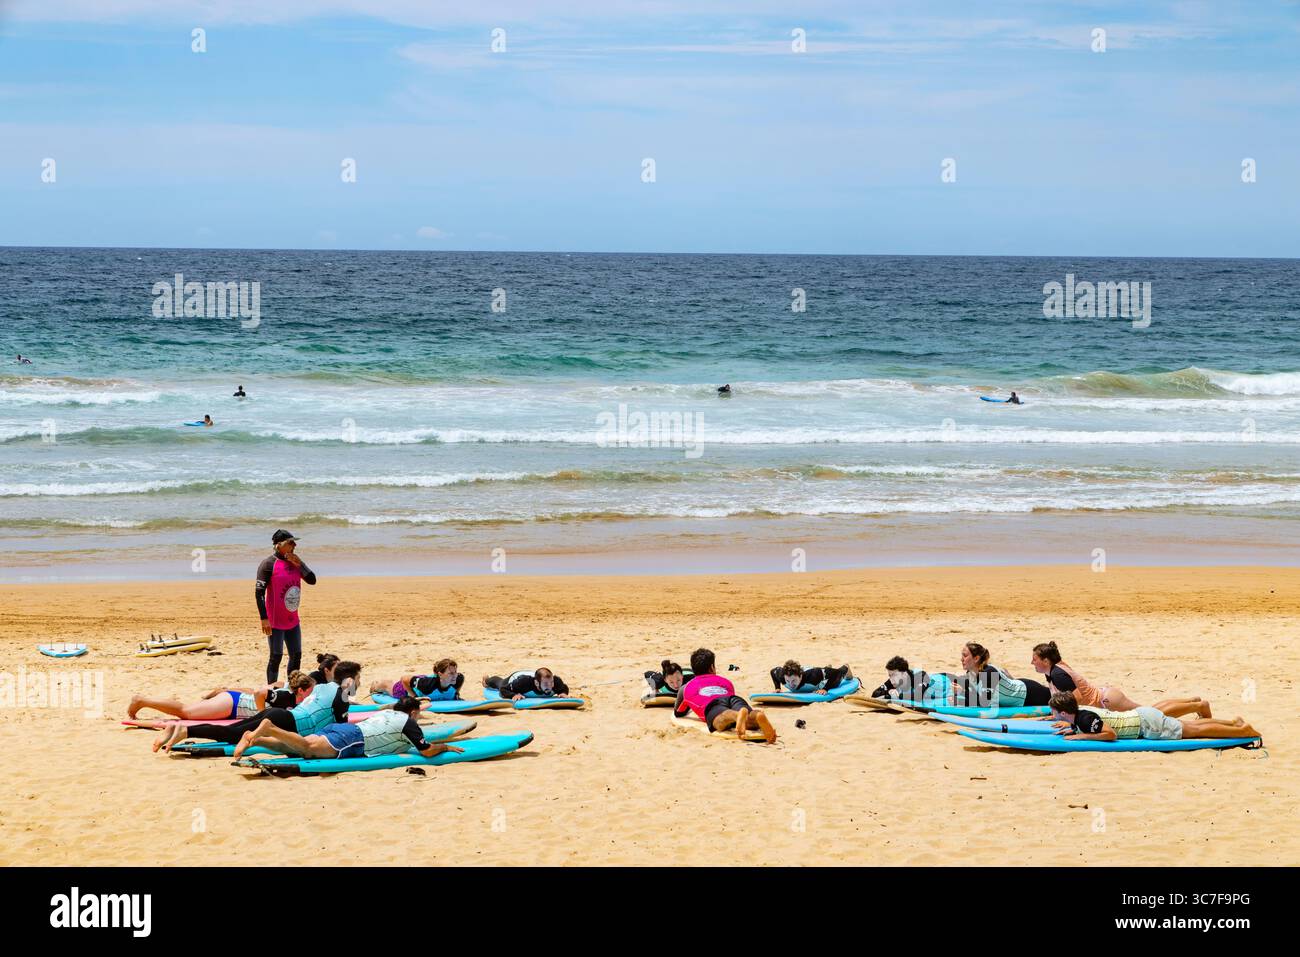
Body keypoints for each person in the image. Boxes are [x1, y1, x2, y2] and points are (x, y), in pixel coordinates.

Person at [155, 663, 361, 752]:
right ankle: (183, 731)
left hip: (280, 715)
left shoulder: (323, 687)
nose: (359, 683)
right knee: (232, 735)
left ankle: (183, 730)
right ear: (350, 680)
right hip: (288, 722)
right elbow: (338, 729)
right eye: (358, 679)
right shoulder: (341, 695)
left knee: (230, 731)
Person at [232, 695, 463, 763]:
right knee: (309, 748)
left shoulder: (386, 712)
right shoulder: (409, 723)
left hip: (342, 729)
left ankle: (254, 739)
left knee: (293, 749)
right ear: (413, 713)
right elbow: (427, 751)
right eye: (418, 714)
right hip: (355, 740)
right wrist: (446, 746)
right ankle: (269, 727)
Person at [1047, 693, 1259, 742]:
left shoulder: (1084, 719)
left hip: (1147, 724)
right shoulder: (1079, 715)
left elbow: (1109, 735)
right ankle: (1233, 723)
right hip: (1143, 716)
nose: (1053, 716)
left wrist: (1080, 737)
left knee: (1195, 730)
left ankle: (1242, 731)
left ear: (1065, 713)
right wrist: (1072, 730)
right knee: (1190, 725)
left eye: (1055, 713)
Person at [673, 648, 776, 743]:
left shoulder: (685, 688)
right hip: (733, 699)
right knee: (749, 720)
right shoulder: (726, 682)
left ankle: (735, 715)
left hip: (713, 704)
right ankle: (757, 715)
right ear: (712, 667)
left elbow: (678, 713)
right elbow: (729, 698)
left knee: (720, 722)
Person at [255, 528, 317, 683]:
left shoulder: (295, 562)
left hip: (292, 620)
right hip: (275, 621)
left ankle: (293, 690)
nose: (294, 545)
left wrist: (300, 563)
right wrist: (264, 618)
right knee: (276, 656)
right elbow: (259, 593)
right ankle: (272, 691)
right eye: (290, 542)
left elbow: (312, 580)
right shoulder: (268, 564)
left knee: (296, 656)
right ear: (279, 545)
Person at [1030, 641, 1141, 711]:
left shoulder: (1057, 674)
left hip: (1107, 701)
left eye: (1035, 660)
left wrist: (1066, 720)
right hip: (1105, 698)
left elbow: (1077, 698)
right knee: (1144, 711)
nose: (1032, 662)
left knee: (1145, 712)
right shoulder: (1053, 670)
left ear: (1046, 661)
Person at [958, 642, 1052, 707]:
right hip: (1017, 691)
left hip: (1029, 694)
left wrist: (962, 692)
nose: (961, 659)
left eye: (965, 656)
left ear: (976, 658)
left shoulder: (989, 672)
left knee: (1055, 697)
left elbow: (984, 703)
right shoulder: (970, 673)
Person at [128, 683, 282, 721]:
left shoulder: (284, 686)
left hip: (234, 700)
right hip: (232, 706)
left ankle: (222, 691)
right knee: (186, 712)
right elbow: (258, 691)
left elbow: (259, 689)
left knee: (188, 710)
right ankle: (142, 701)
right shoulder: (288, 692)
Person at [868, 656, 954, 704]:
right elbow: (874, 694)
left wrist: (893, 696)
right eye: (890, 676)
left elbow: (918, 697)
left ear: (904, 673)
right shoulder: (894, 680)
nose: (891, 679)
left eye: (893, 675)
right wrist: (889, 692)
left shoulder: (921, 676)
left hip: (949, 681)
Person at [373, 658, 465, 702]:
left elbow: (458, 682)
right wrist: (413, 697)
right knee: (390, 688)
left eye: (455, 672)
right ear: (440, 674)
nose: (455, 676)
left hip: (421, 681)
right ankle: (379, 684)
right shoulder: (428, 685)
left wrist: (455, 695)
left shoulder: (458, 678)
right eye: (451, 673)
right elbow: (404, 679)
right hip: (406, 687)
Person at [483, 667, 569, 701]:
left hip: (534, 674)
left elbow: (564, 687)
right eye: (546, 684)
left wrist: (563, 693)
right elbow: (503, 690)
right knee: (500, 683)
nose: (550, 686)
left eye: (551, 683)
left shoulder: (556, 682)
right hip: (517, 677)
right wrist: (513, 695)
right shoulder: (524, 683)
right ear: (536, 683)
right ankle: (486, 680)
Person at [769, 660, 853, 694]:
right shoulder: (782, 676)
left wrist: (825, 689)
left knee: (836, 680)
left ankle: (845, 667)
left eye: (794, 680)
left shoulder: (813, 676)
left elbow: (835, 673)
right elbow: (772, 671)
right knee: (825, 672)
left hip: (817, 673)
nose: (791, 684)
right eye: (788, 681)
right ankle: (826, 669)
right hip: (818, 672)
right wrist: (777, 688)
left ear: (800, 676)